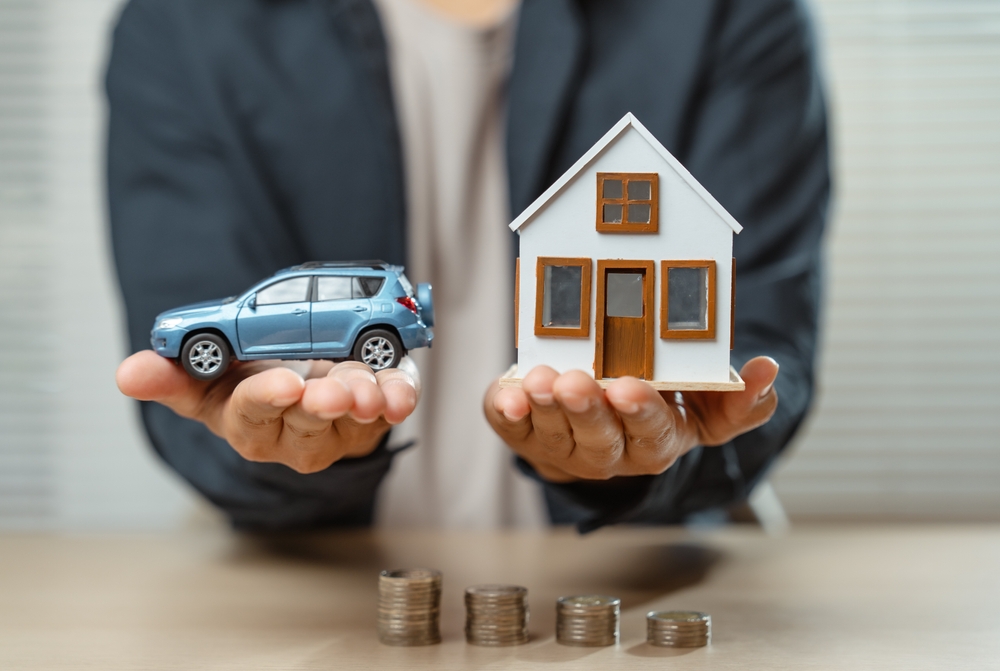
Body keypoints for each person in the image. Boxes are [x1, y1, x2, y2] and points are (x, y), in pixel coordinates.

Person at [110, 0, 829, 531]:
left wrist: (644, 448)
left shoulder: (731, 11)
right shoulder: (180, 22)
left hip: (655, 552)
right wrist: (268, 443)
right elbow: (193, 404)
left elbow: (762, 347)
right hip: (300, 571)